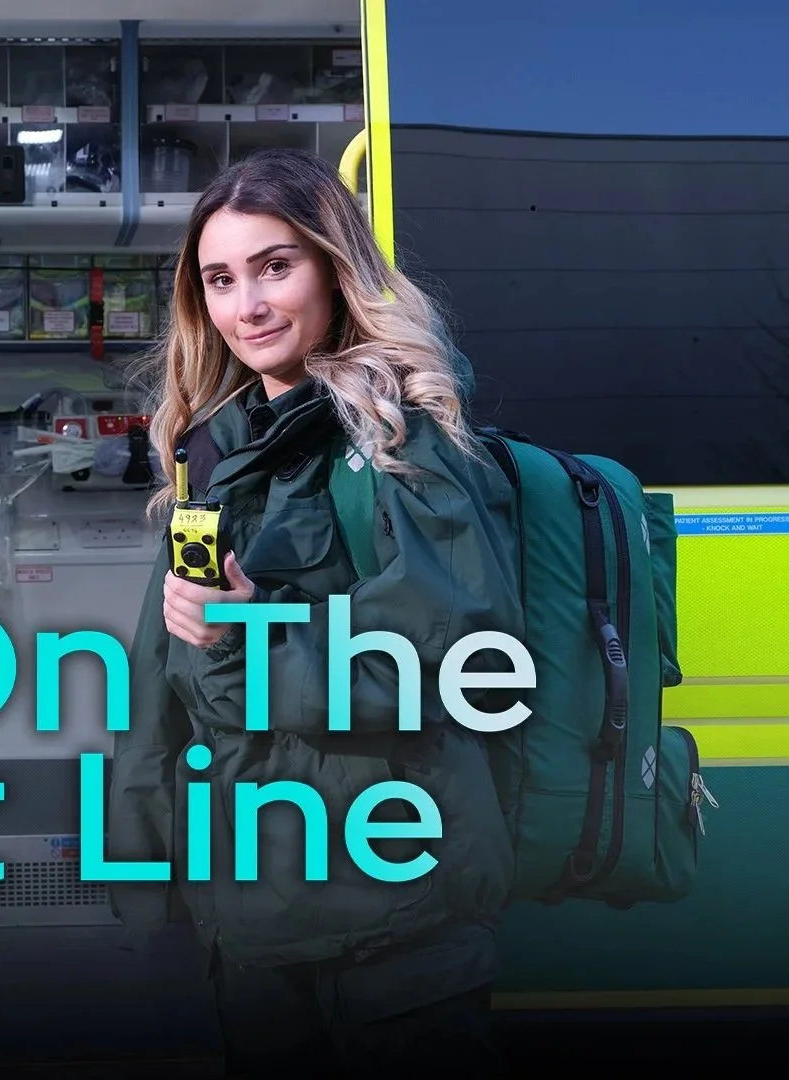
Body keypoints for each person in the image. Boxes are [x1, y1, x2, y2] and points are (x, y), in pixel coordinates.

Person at [105, 146, 525, 1078]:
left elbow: (451, 671)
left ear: (335, 271)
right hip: (254, 925)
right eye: (219, 279)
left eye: (274, 267)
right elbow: (158, 674)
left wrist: (252, 632)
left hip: (394, 930)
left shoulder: (404, 445)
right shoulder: (209, 454)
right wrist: (139, 866)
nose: (246, 306)